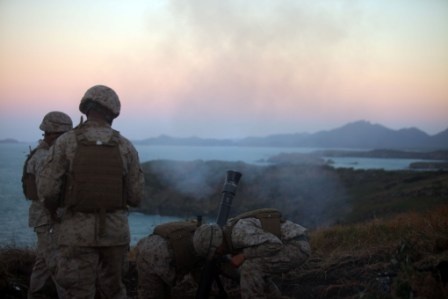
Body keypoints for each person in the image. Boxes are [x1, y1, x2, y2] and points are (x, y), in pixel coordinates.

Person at [37, 85, 145, 298]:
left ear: (86, 109)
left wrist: (55, 213)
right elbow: (136, 196)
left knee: (77, 292)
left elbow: (47, 190)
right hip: (115, 234)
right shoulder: (125, 146)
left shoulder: (65, 142)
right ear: (112, 112)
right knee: (113, 291)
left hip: (75, 233)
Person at [193, 208, 311, 299]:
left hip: (296, 246)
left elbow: (274, 244)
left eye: (215, 252)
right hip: (289, 244)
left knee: (250, 267)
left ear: (217, 243)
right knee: (255, 268)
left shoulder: (238, 234)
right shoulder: (228, 233)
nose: (217, 254)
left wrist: (244, 255)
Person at [22, 111, 73, 299]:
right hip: (48, 217)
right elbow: (48, 193)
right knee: (56, 263)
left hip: (45, 217)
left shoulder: (44, 153)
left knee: (43, 262)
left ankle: (34, 293)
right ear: (53, 134)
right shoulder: (45, 157)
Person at [135, 219, 239, 299]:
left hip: (157, 246)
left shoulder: (205, 234)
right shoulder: (204, 248)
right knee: (152, 295)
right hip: (151, 256)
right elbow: (199, 276)